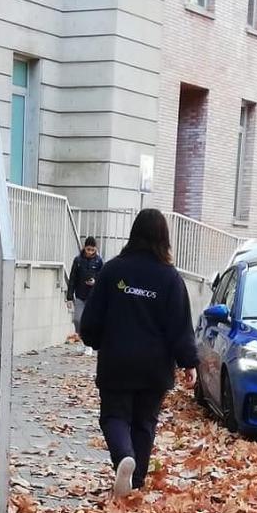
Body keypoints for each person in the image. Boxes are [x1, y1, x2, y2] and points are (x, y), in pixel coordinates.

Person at [77, 210, 197, 495]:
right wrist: (189, 362)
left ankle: (123, 458)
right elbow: (180, 325)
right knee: (145, 422)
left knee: (114, 417)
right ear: (164, 238)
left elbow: (91, 319)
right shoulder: (170, 279)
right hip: (155, 366)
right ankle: (136, 481)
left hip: (117, 360)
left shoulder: (113, 271)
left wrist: (94, 340)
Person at [66, 237, 102, 333]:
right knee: (77, 319)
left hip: (92, 297)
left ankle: (87, 343)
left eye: (92, 250)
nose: (90, 252)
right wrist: (69, 297)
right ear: (84, 248)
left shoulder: (99, 261)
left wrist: (95, 281)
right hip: (80, 295)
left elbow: (102, 277)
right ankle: (81, 336)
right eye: (88, 249)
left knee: (90, 321)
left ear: (96, 249)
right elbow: (72, 278)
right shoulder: (78, 260)